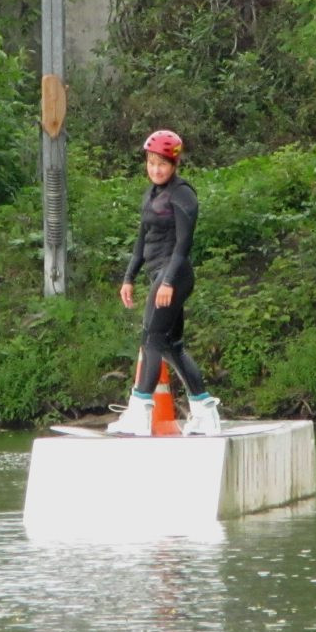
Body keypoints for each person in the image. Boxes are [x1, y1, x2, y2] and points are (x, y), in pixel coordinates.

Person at [109, 129, 222, 436]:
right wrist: (129, 277)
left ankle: (140, 411)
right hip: (158, 274)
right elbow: (142, 240)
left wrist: (168, 281)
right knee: (171, 346)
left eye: (162, 164)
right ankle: (204, 411)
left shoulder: (182, 194)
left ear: (174, 164)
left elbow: (184, 244)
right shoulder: (152, 194)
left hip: (175, 275)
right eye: (151, 162)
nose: (156, 169)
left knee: (151, 338)